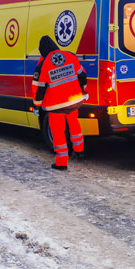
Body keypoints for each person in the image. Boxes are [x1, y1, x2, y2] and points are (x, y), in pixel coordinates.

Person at [32, 35, 87, 170]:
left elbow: (39, 88)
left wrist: (37, 106)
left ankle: (61, 163)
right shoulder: (70, 56)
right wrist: (84, 91)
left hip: (56, 105)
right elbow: (82, 75)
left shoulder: (43, 63)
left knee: (58, 132)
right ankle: (80, 151)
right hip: (74, 101)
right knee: (74, 125)